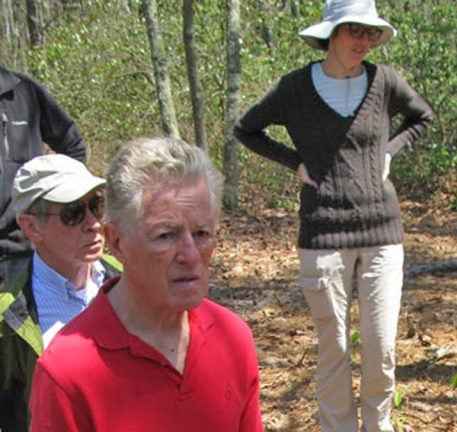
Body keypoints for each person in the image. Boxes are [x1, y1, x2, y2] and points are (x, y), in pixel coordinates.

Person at [234, 1, 432, 430]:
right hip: (322, 234)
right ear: (331, 34)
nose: (364, 41)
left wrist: (389, 151)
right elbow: (246, 129)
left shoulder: (385, 81)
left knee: (380, 350)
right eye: (354, 32)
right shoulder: (295, 89)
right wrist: (295, 163)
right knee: (334, 349)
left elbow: (421, 117)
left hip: (383, 231)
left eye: (370, 33)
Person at [28, 137, 263, 431]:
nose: (190, 255)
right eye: (166, 235)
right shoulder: (67, 371)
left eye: (202, 233)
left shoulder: (232, 338)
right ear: (116, 241)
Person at [0, 154, 119, 432]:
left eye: (96, 206)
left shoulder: (134, 284)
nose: (93, 223)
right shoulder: (9, 321)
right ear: (31, 227)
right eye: (73, 213)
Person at [1, 66, 87, 285]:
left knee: (28, 319)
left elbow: (73, 147)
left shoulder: (24, 93)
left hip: (25, 249)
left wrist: (61, 213)